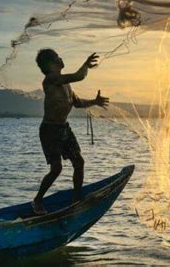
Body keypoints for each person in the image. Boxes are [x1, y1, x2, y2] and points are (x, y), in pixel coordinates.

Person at [32, 49, 109, 215]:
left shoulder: (66, 84)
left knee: (79, 163)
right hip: (50, 130)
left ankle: (76, 200)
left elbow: (77, 103)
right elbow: (79, 76)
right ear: (52, 64)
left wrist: (94, 101)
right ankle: (37, 201)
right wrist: (86, 65)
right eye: (58, 57)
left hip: (64, 128)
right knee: (56, 169)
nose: (61, 58)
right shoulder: (51, 79)